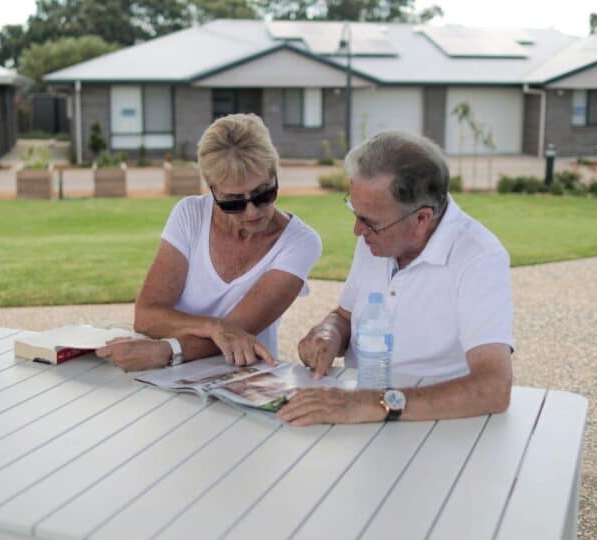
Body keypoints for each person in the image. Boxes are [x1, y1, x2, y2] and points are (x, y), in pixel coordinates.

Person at [278, 131, 514, 427]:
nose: (357, 231)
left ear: (421, 219)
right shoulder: (377, 239)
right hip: (357, 416)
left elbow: (493, 388)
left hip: (438, 429)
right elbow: (344, 315)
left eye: (369, 222)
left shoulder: (479, 258)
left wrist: (375, 404)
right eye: (355, 212)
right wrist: (329, 332)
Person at [96, 114, 322, 371]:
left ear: (275, 176)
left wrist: (168, 351)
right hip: (170, 374)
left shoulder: (300, 242)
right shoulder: (190, 215)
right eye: (234, 202)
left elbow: (238, 331)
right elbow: (147, 316)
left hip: (242, 376)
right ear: (212, 189)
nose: (252, 212)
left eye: (264, 194)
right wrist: (213, 326)